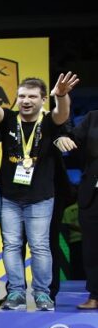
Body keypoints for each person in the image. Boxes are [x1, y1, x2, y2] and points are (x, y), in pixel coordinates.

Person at [0, 73, 79, 310]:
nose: (26, 101)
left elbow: (62, 113)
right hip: (9, 198)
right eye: (22, 96)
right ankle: (16, 292)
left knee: (40, 247)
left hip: (41, 198)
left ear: (43, 99)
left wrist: (61, 95)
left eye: (32, 97)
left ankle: (42, 294)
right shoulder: (8, 118)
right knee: (11, 246)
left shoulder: (49, 122)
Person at [64, 110, 98, 309]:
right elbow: (72, 138)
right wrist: (62, 137)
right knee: (92, 248)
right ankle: (95, 295)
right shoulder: (93, 117)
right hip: (93, 193)